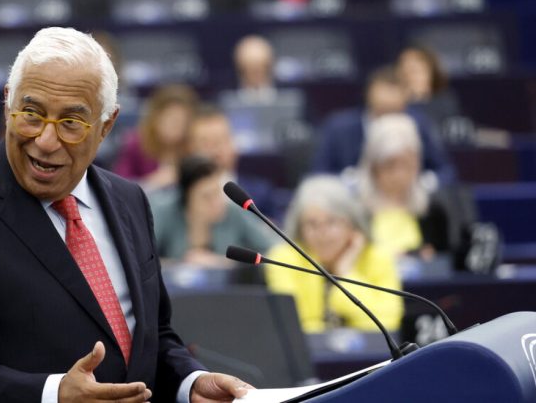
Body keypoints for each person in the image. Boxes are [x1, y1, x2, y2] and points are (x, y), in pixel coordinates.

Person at [0, 27, 251, 403]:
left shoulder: (130, 200)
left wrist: (190, 382)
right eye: (31, 114)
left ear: (106, 125)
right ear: (7, 103)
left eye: (70, 123)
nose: (46, 141)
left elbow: (153, 337)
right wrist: (52, 394)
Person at [266, 175, 403, 332]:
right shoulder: (284, 260)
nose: (322, 233)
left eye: (332, 222)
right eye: (312, 224)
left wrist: (346, 272)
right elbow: (292, 326)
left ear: (352, 224)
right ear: (300, 230)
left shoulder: (378, 257)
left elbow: (387, 324)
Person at [312, 65, 456, 186]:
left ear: (405, 102)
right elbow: (318, 175)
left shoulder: (418, 124)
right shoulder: (339, 127)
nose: (387, 121)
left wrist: (422, 183)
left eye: (393, 113)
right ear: (368, 96)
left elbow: (446, 172)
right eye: (382, 112)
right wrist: (348, 181)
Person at [354, 114, 451, 260]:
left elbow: (444, 262)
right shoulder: (356, 212)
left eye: (406, 165)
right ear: (373, 167)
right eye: (390, 166)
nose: (399, 175)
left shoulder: (433, 210)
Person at [152, 155, 272, 267]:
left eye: (217, 193)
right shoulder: (165, 212)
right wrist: (181, 265)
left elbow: (273, 252)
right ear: (186, 197)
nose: (216, 203)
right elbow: (145, 260)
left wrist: (220, 263)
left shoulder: (233, 211)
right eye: (207, 197)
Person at [186, 104, 277, 218]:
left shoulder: (261, 193)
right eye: (205, 143)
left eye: (219, 141)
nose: (214, 150)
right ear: (191, 149)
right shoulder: (176, 196)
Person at [113, 84, 198, 191]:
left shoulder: (192, 147)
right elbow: (118, 186)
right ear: (156, 117)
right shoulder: (136, 144)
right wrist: (153, 182)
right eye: (172, 119)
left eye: (182, 122)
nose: (176, 127)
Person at [396, 45, 461, 129]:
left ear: (431, 73)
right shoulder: (394, 104)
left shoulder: (445, 101)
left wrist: (419, 98)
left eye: (415, 71)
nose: (411, 78)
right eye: (405, 72)